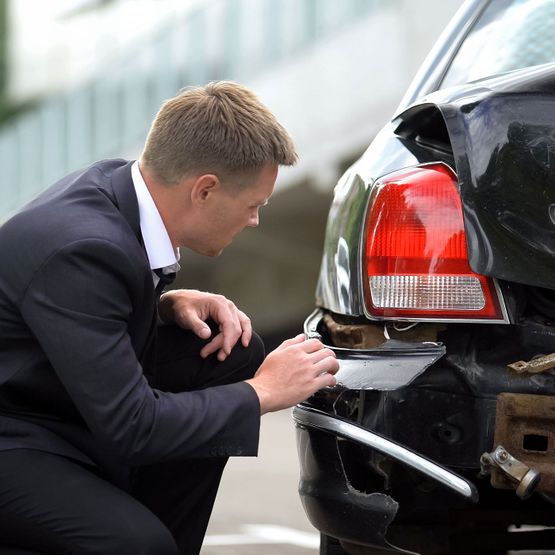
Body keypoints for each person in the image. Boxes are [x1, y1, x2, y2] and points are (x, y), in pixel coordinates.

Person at [0, 81, 339, 555]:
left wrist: (163, 301)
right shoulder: (84, 247)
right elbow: (133, 426)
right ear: (205, 189)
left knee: (231, 350)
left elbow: (76, 309)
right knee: (137, 544)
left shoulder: (118, 191)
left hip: (54, 406)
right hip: (17, 435)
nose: (256, 220)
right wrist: (263, 391)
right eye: (253, 206)